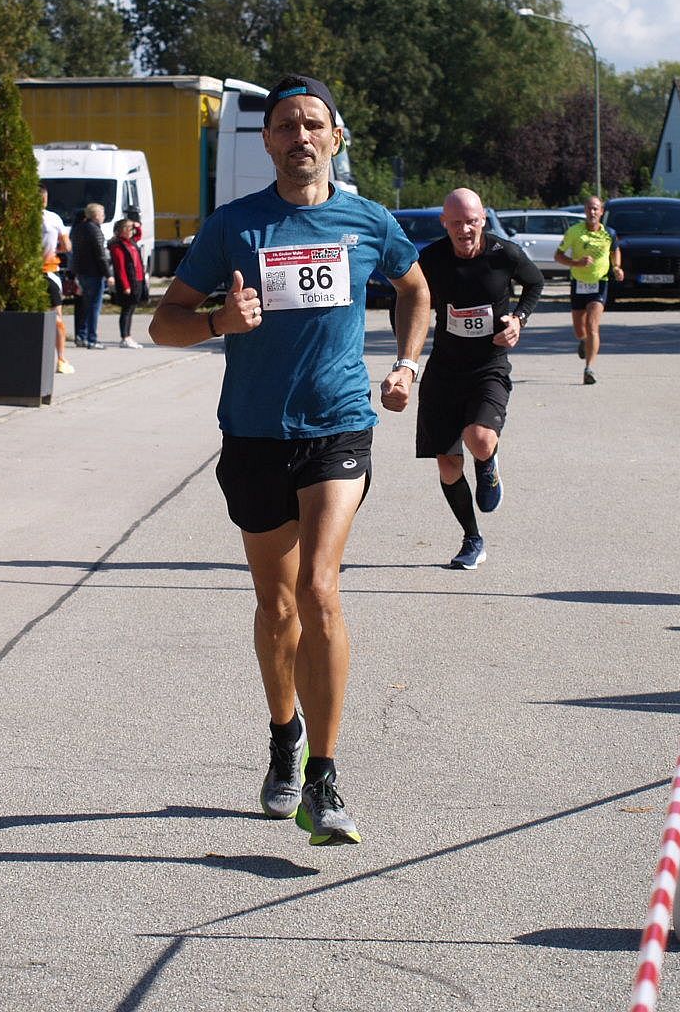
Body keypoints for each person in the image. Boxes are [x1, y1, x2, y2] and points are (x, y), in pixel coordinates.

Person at [149, 74, 430, 846]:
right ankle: (284, 735)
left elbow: (415, 290)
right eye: (285, 126)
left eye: (313, 124)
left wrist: (408, 364)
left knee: (318, 590)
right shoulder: (234, 226)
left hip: (338, 427)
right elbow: (164, 323)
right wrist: (218, 320)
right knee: (277, 608)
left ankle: (324, 778)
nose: (300, 137)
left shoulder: (367, 220)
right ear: (267, 140)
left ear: (336, 137)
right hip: (253, 434)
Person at [416, 188, 543, 569]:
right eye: (456, 223)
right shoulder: (431, 258)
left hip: (489, 366)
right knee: (447, 464)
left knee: (480, 438)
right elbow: (407, 298)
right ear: (444, 223)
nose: (464, 230)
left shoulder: (504, 254)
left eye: (471, 221)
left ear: (483, 219)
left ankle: (487, 463)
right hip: (443, 370)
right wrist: (407, 354)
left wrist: (518, 320)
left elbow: (535, 283)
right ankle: (472, 539)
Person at [555, 194, 623, 385]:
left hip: (599, 283)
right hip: (578, 283)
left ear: (601, 212)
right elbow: (558, 256)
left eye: (596, 209)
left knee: (593, 325)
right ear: (585, 211)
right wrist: (577, 262)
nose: (592, 212)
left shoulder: (609, 233)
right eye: (589, 208)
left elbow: (615, 250)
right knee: (580, 330)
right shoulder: (574, 232)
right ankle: (584, 341)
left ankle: (589, 369)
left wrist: (617, 267)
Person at [39, 184, 75, 374]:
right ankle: (61, 359)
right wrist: (54, 250)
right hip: (48, 271)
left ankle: (51, 358)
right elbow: (67, 246)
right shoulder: (53, 218)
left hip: (31, 272)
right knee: (56, 317)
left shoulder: (20, 217)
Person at [71, 202, 110, 349]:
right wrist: (108, 274)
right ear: (95, 215)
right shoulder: (95, 230)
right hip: (94, 273)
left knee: (84, 306)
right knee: (94, 307)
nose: (103, 216)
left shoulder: (78, 229)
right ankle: (92, 339)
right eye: (102, 214)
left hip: (81, 272)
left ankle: (81, 336)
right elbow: (100, 255)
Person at [108, 216, 148, 348]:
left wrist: (137, 226)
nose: (132, 231)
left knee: (132, 309)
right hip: (129, 282)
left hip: (137, 280)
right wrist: (125, 285)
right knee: (127, 309)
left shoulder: (131, 242)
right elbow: (120, 268)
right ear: (123, 230)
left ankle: (128, 336)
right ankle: (125, 337)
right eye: (129, 228)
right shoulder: (117, 246)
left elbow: (139, 234)